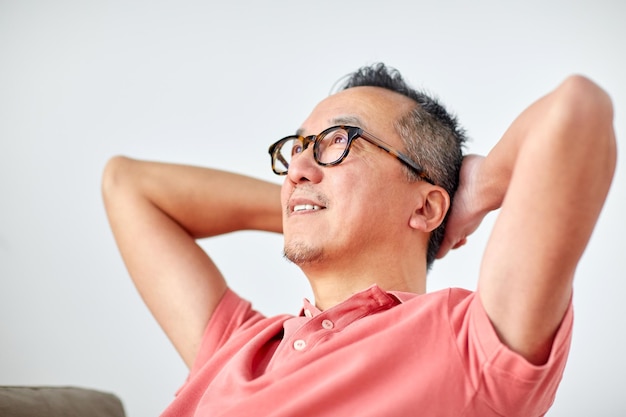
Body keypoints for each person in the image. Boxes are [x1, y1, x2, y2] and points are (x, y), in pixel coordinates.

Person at [102, 63, 616, 416]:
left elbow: (578, 109)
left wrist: (479, 188)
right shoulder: (238, 348)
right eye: (297, 148)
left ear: (426, 204)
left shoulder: (471, 344)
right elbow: (127, 184)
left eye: (337, 143)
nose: (298, 167)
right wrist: (308, 209)